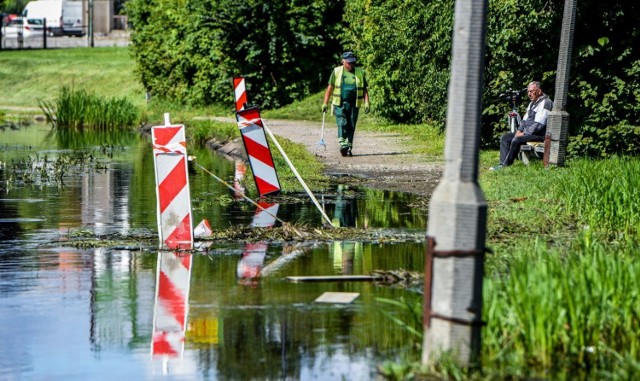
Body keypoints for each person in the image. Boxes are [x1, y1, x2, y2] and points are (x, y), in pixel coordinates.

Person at [490, 81, 553, 170]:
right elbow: (524, 120)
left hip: (540, 135)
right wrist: (519, 130)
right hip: (529, 134)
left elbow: (538, 125)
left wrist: (523, 134)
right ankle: (502, 163)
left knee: (517, 139)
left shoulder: (545, 103)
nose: (529, 94)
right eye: (528, 92)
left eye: (531, 91)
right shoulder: (532, 103)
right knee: (505, 137)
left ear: (539, 91)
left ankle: (506, 165)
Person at [322, 51, 370, 157]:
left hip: (354, 103)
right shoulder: (337, 71)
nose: (351, 65)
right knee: (342, 122)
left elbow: (365, 89)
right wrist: (325, 103)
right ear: (343, 61)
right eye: (349, 63)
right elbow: (330, 88)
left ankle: (349, 146)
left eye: (353, 63)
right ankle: (342, 143)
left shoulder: (360, 72)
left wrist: (366, 102)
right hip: (340, 103)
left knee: (351, 124)